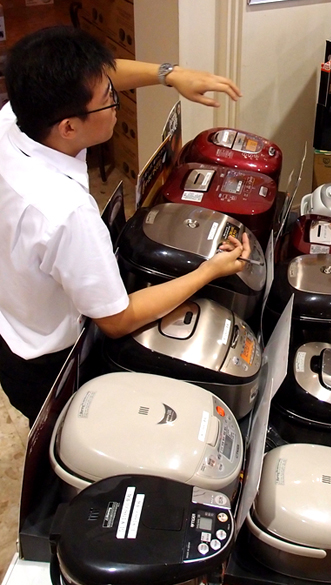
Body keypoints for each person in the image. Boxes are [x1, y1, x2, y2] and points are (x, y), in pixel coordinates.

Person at [0, 25, 248, 426]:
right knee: (60, 433)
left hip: (12, 322)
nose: (117, 103)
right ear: (69, 127)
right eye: (109, 100)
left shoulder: (15, 117)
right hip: (47, 362)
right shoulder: (68, 213)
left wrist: (170, 74)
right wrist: (209, 271)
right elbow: (116, 319)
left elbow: (95, 77)